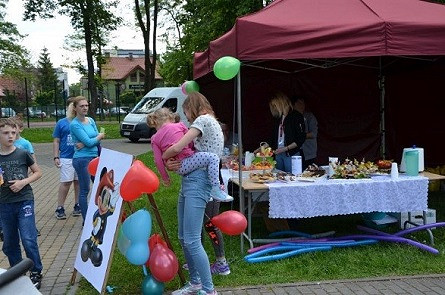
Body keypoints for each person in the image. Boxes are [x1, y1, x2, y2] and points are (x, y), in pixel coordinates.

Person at [163, 92, 223, 295]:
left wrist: (164, 155)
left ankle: (208, 289)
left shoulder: (203, 119)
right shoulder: (211, 121)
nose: (186, 117)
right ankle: (195, 283)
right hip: (190, 181)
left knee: (191, 239)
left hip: (198, 183)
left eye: (186, 111)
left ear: (192, 107)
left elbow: (180, 146)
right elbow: (189, 152)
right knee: (183, 237)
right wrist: (174, 163)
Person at [147, 107, 232, 202]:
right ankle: (215, 188)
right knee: (213, 158)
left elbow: (158, 160)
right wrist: (191, 150)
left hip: (177, 167)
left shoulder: (154, 138)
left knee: (206, 161)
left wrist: (165, 178)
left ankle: (210, 190)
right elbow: (191, 142)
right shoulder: (179, 125)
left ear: (155, 123)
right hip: (187, 160)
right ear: (171, 118)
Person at [0, 118, 43, 289]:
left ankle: (36, 271)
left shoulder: (22, 153)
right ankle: (18, 273)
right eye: (5, 133)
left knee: (28, 238)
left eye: (13, 133)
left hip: (24, 200)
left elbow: (38, 172)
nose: (10, 136)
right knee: (10, 242)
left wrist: (23, 182)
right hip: (4, 204)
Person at [69, 96, 105, 222]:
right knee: (85, 189)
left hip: (95, 157)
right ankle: (87, 220)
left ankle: (101, 214)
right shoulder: (75, 124)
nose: (85, 108)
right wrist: (92, 140)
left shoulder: (90, 120)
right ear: (75, 108)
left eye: (86, 105)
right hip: (82, 159)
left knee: (101, 186)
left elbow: (96, 138)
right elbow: (95, 139)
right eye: (81, 106)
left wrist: (87, 142)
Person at [53, 98, 81, 220]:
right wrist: (56, 156)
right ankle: (60, 207)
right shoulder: (62, 123)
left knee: (78, 182)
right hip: (66, 157)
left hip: (80, 156)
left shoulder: (83, 122)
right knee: (66, 182)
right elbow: (56, 140)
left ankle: (77, 204)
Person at [268, 92, 306, 173]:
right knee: (278, 177)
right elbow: (272, 138)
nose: (274, 108)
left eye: (275, 106)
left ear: (281, 104)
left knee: (292, 178)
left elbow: (301, 138)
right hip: (278, 153)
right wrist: (262, 147)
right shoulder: (278, 118)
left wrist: (286, 148)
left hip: (291, 154)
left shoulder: (296, 116)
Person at [293, 96, 318, 170]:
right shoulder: (291, 118)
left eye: (303, 103)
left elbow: (314, 133)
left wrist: (300, 136)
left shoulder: (309, 117)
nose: (301, 105)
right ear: (294, 105)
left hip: (308, 152)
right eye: (299, 103)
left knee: (309, 172)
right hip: (295, 151)